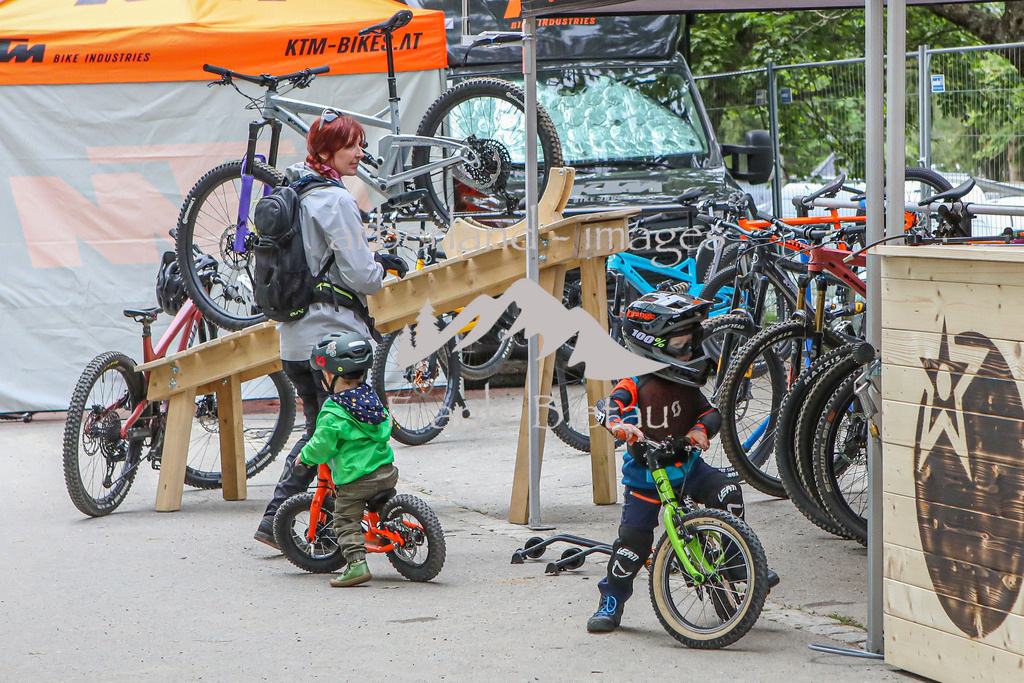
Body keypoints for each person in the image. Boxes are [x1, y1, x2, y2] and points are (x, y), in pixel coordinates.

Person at [254, 110, 407, 549]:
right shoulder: (335, 200)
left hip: (295, 342)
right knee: (352, 430)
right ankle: (332, 530)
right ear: (326, 151)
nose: (360, 152)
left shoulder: (291, 193)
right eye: (351, 145)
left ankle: (281, 521)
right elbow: (361, 275)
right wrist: (381, 269)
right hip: (333, 340)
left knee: (321, 429)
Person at [587, 290, 780, 634]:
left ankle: (738, 562)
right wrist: (619, 425)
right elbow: (608, 405)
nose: (689, 350)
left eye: (692, 341)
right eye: (680, 342)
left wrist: (700, 429)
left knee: (728, 492)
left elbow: (710, 413)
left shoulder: (686, 382)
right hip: (648, 477)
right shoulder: (637, 381)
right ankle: (611, 600)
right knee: (633, 544)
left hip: (688, 468)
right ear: (650, 343)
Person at [297, 332, 398, 587]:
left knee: (345, 519)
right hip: (386, 471)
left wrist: (305, 457)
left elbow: (323, 445)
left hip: (356, 480)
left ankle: (356, 564)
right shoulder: (371, 399)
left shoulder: (333, 410)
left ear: (329, 376)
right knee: (373, 498)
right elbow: (387, 423)